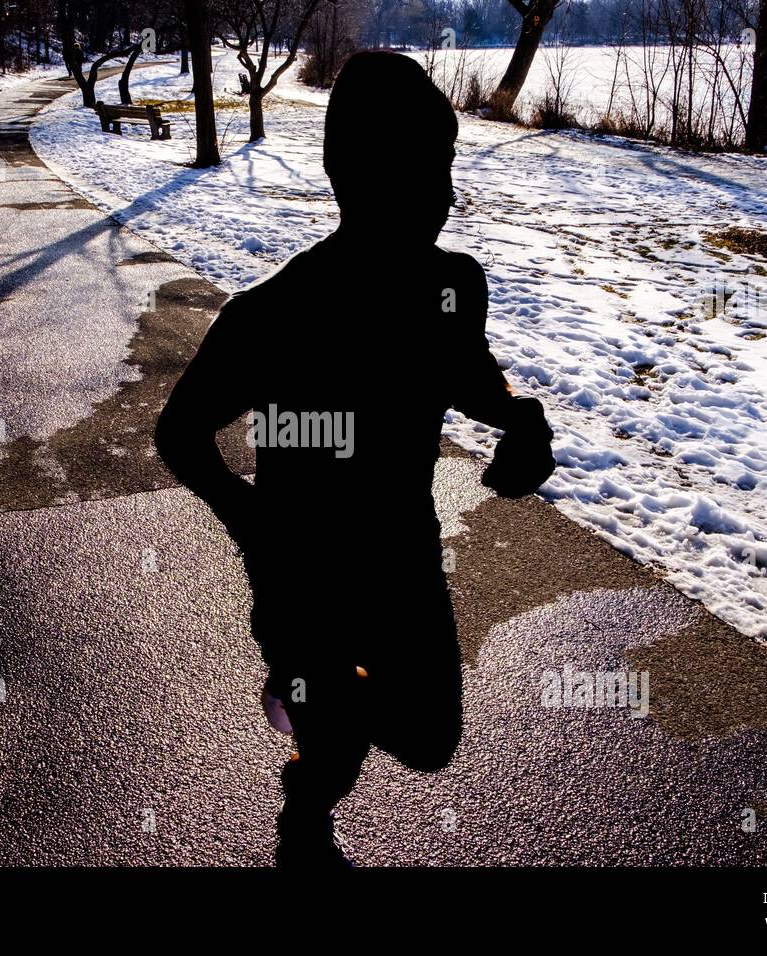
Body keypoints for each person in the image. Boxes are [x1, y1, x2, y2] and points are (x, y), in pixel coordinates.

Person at [154, 51, 556, 866]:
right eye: (424, 169)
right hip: (302, 572)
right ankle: (307, 799)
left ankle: (319, 709)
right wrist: (249, 521)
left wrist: (518, 417)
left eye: (446, 168)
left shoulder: (453, 285)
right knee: (335, 747)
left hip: (405, 558)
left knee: (430, 738)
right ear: (360, 173)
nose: (444, 194)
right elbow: (179, 433)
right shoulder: (273, 313)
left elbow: (468, 368)